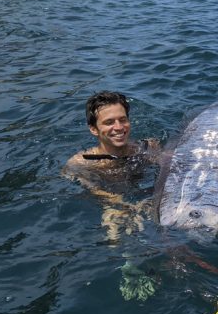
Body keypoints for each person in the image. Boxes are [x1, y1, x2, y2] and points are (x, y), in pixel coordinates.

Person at [63, 91, 161, 240]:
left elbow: (173, 165)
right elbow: (93, 189)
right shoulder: (82, 162)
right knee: (114, 235)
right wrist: (121, 206)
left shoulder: (148, 147)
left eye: (123, 120)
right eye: (109, 122)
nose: (119, 127)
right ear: (93, 129)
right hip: (113, 202)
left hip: (147, 196)